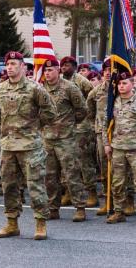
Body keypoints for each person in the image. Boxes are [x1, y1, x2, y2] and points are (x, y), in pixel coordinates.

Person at [0, 51, 56, 240]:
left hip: (30, 146)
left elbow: (50, 113)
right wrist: (6, 129)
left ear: (23, 67)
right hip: (8, 146)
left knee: (35, 186)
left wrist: (34, 127)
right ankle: (12, 223)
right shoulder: (0, 89)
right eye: (8, 64)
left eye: (13, 63)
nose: (9, 67)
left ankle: (40, 223)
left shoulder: (35, 88)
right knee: (9, 186)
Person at [42, 59, 88, 222]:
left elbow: (82, 110)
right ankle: (53, 208)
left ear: (58, 70)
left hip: (66, 139)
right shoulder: (40, 89)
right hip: (47, 140)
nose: (47, 73)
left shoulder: (69, 88)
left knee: (72, 174)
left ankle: (80, 207)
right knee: (49, 176)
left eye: (51, 70)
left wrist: (69, 124)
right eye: (45, 71)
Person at [60, 56, 98, 207]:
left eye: (68, 65)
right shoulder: (59, 81)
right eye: (62, 65)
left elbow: (92, 99)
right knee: (67, 162)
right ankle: (69, 191)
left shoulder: (82, 81)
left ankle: (91, 193)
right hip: (65, 128)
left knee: (84, 161)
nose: (64, 68)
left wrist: (88, 118)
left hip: (82, 127)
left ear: (74, 67)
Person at [104, 72, 136, 223]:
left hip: (134, 148)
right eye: (119, 84)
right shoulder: (113, 101)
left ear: (132, 84)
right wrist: (106, 144)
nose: (121, 86)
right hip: (117, 147)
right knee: (117, 182)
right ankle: (118, 212)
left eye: (125, 83)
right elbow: (107, 124)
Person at [87, 59, 116, 215]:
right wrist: (96, 125)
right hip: (101, 134)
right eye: (105, 69)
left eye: (110, 69)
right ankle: (107, 201)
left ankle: (127, 201)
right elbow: (89, 111)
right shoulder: (96, 91)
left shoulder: (121, 89)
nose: (107, 72)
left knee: (121, 169)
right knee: (104, 167)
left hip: (121, 134)